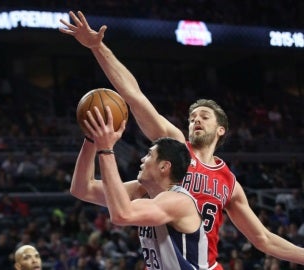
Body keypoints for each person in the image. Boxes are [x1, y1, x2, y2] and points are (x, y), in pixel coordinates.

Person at [59, 11, 304, 269]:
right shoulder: (173, 148)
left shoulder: (230, 184)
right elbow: (134, 97)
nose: (195, 120)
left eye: (204, 116)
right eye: (192, 117)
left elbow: (264, 239)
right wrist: (98, 48)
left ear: (221, 130)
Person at [71, 105, 209, 269]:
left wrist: (106, 149)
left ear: (164, 167)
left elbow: (122, 214)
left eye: (150, 154)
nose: (143, 159)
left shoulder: (179, 201)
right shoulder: (142, 191)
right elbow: (82, 188)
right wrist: (91, 139)